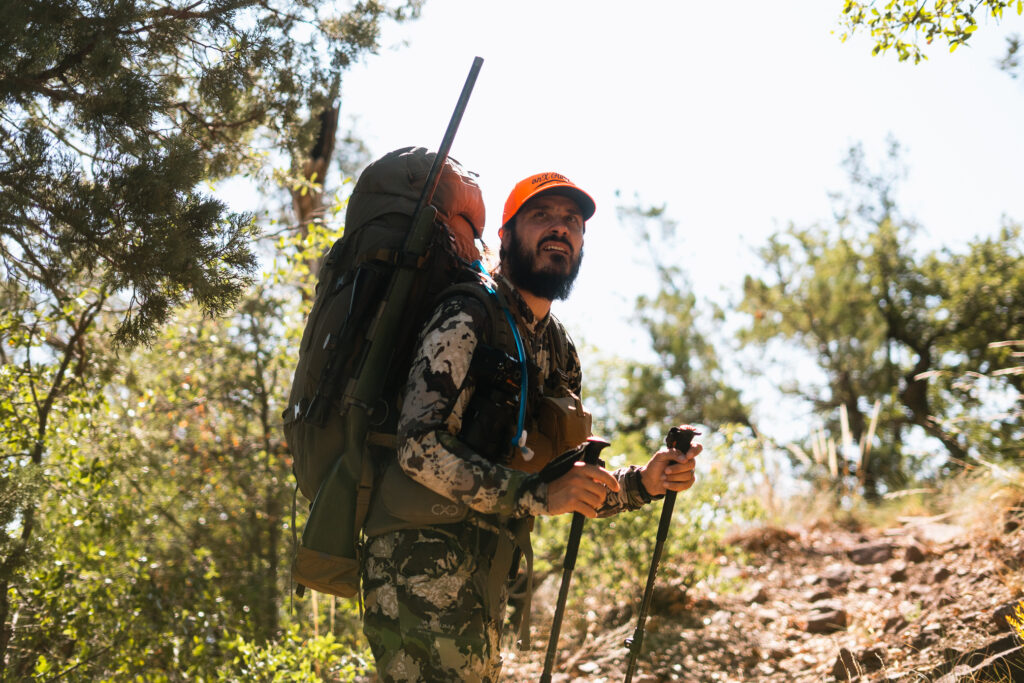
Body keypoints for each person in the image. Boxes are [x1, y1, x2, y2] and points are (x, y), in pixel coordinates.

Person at [361, 172, 702, 682]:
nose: (560, 229)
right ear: (505, 236)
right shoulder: (467, 312)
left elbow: (566, 486)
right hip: (418, 559)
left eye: (572, 222)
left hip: (490, 568)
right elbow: (418, 448)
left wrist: (644, 483)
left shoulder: (559, 350)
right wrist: (536, 495)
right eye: (542, 216)